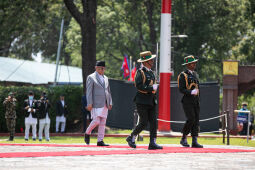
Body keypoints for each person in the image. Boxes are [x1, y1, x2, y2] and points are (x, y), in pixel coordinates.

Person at [126, 51, 163, 150]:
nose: (152, 61)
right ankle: (132, 137)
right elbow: (139, 86)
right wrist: (151, 88)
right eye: (151, 60)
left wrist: (154, 87)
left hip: (151, 100)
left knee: (153, 122)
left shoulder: (151, 73)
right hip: (142, 101)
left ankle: (152, 142)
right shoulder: (140, 72)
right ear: (146, 61)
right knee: (144, 122)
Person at [84, 61, 112, 146]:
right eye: (101, 68)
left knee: (103, 122)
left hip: (105, 103)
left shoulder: (106, 78)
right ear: (96, 68)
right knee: (96, 121)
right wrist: (89, 103)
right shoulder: (91, 77)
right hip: (95, 103)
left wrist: (110, 102)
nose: (102, 69)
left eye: (104, 68)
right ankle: (87, 132)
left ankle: (100, 140)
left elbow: (108, 91)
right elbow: (89, 92)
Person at [177, 55, 203, 148]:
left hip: (195, 101)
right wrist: (191, 92)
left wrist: (197, 97)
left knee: (196, 121)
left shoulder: (195, 74)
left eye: (195, 62)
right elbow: (181, 89)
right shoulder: (183, 75)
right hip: (187, 101)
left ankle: (194, 140)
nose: (194, 64)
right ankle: (184, 138)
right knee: (191, 118)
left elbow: (198, 87)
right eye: (192, 63)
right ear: (188, 64)